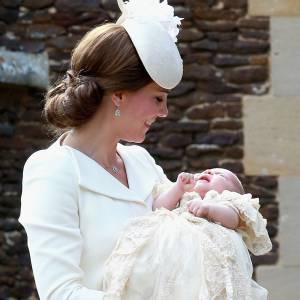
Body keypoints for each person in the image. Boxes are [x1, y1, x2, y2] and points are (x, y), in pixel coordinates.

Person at [18, 0, 183, 299]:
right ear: (119, 95)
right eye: (158, 99)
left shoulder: (142, 162)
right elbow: (61, 293)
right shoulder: (53, 170)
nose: (164, 113)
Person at [102, 168, 272, 299]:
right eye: (205, 171)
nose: (209, 171)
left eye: (221, 175)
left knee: (200, 287)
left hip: (203, 259)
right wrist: (178, 188)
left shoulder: (225, 202)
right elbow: (157, 207)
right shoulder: (184, 196)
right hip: (167, 255)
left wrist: (209, 208)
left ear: (231, 192)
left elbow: (233, 219)